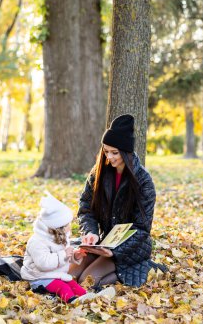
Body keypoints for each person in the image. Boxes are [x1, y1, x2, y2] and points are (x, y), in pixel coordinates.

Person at [70, 114, 167, 288]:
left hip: (130, 250)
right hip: (103, 243)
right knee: (71, 275)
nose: (109, 157)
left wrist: (114, 251)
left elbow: (142, 228)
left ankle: (140, 269)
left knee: (87, 281)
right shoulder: (98, 174)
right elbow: (86, 209)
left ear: (126, 152)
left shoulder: (143, 181)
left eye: (115, 153)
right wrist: (90, 232)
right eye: (106, 151)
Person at [21, 193, 115, 303]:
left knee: (72, 284)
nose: (69, 227)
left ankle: (87, 296)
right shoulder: (37, 242)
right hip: (40, 278)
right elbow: (43, 264)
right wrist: (64, 254)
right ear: (56, 228)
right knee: (63, 287)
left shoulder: (60, 237)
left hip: (56, 275)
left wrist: (75, 255)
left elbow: (64, 256)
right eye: (66, 225)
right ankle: (72, 300)